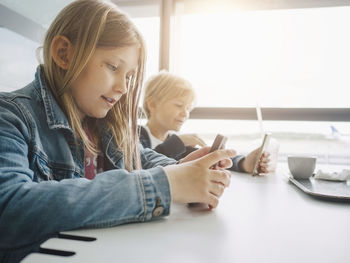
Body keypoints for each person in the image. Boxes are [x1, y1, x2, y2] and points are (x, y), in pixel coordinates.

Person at [0, 1, 235, 261]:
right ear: (64, 53)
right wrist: (167, 184)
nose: (124, 87)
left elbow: (142, 156)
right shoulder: (10, 116)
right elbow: (8, 210)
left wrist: (182, 169)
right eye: (113, 67)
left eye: (129, 76)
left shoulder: (103, 123)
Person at [140, 71, 271, 174]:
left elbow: (205, 157)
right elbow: (144, 161)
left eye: (188, 108)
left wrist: (244, 162)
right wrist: (177, 142)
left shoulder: (176, 143)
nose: (185, 113)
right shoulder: (137, 136)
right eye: (179, 105)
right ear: (152, 104)